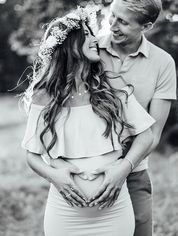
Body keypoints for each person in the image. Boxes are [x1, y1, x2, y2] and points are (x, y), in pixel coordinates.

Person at [21, 7, 156, 236]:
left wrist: (123, 170)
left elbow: (146, 135)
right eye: (86, 34)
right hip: (65, 215)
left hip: (114, 213)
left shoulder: (112, 84)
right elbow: (32, 155)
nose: (95, 39)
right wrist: (54, 176)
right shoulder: (45, 95)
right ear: (69, 45)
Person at [87, 0, 177, 235]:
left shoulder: (163, 63)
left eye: (123, 22)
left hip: (134, 171)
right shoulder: (88, 50)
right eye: (112, 15)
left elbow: (154, 133)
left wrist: (124, 168)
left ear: (146, 26)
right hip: (87, 169)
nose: (112, 25)